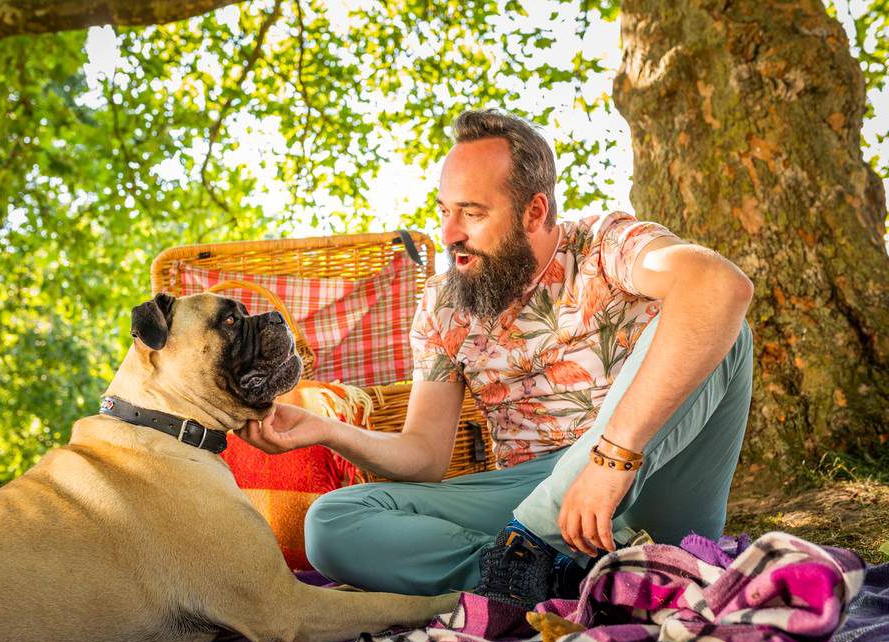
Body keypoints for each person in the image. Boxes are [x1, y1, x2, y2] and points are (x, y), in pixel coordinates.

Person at [237, 109, 754, 609]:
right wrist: (323, 430)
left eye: (473, 213)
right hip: (524, 494)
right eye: (444, 210)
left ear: (535, 211)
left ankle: (528, 553)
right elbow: (423, 456)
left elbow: (717, 284)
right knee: (332, 523)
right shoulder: (443, 304)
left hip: (649, 481)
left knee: (720, 323)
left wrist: (610, 459)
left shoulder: (606, 245)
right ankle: (545, 581)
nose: (448, 234)